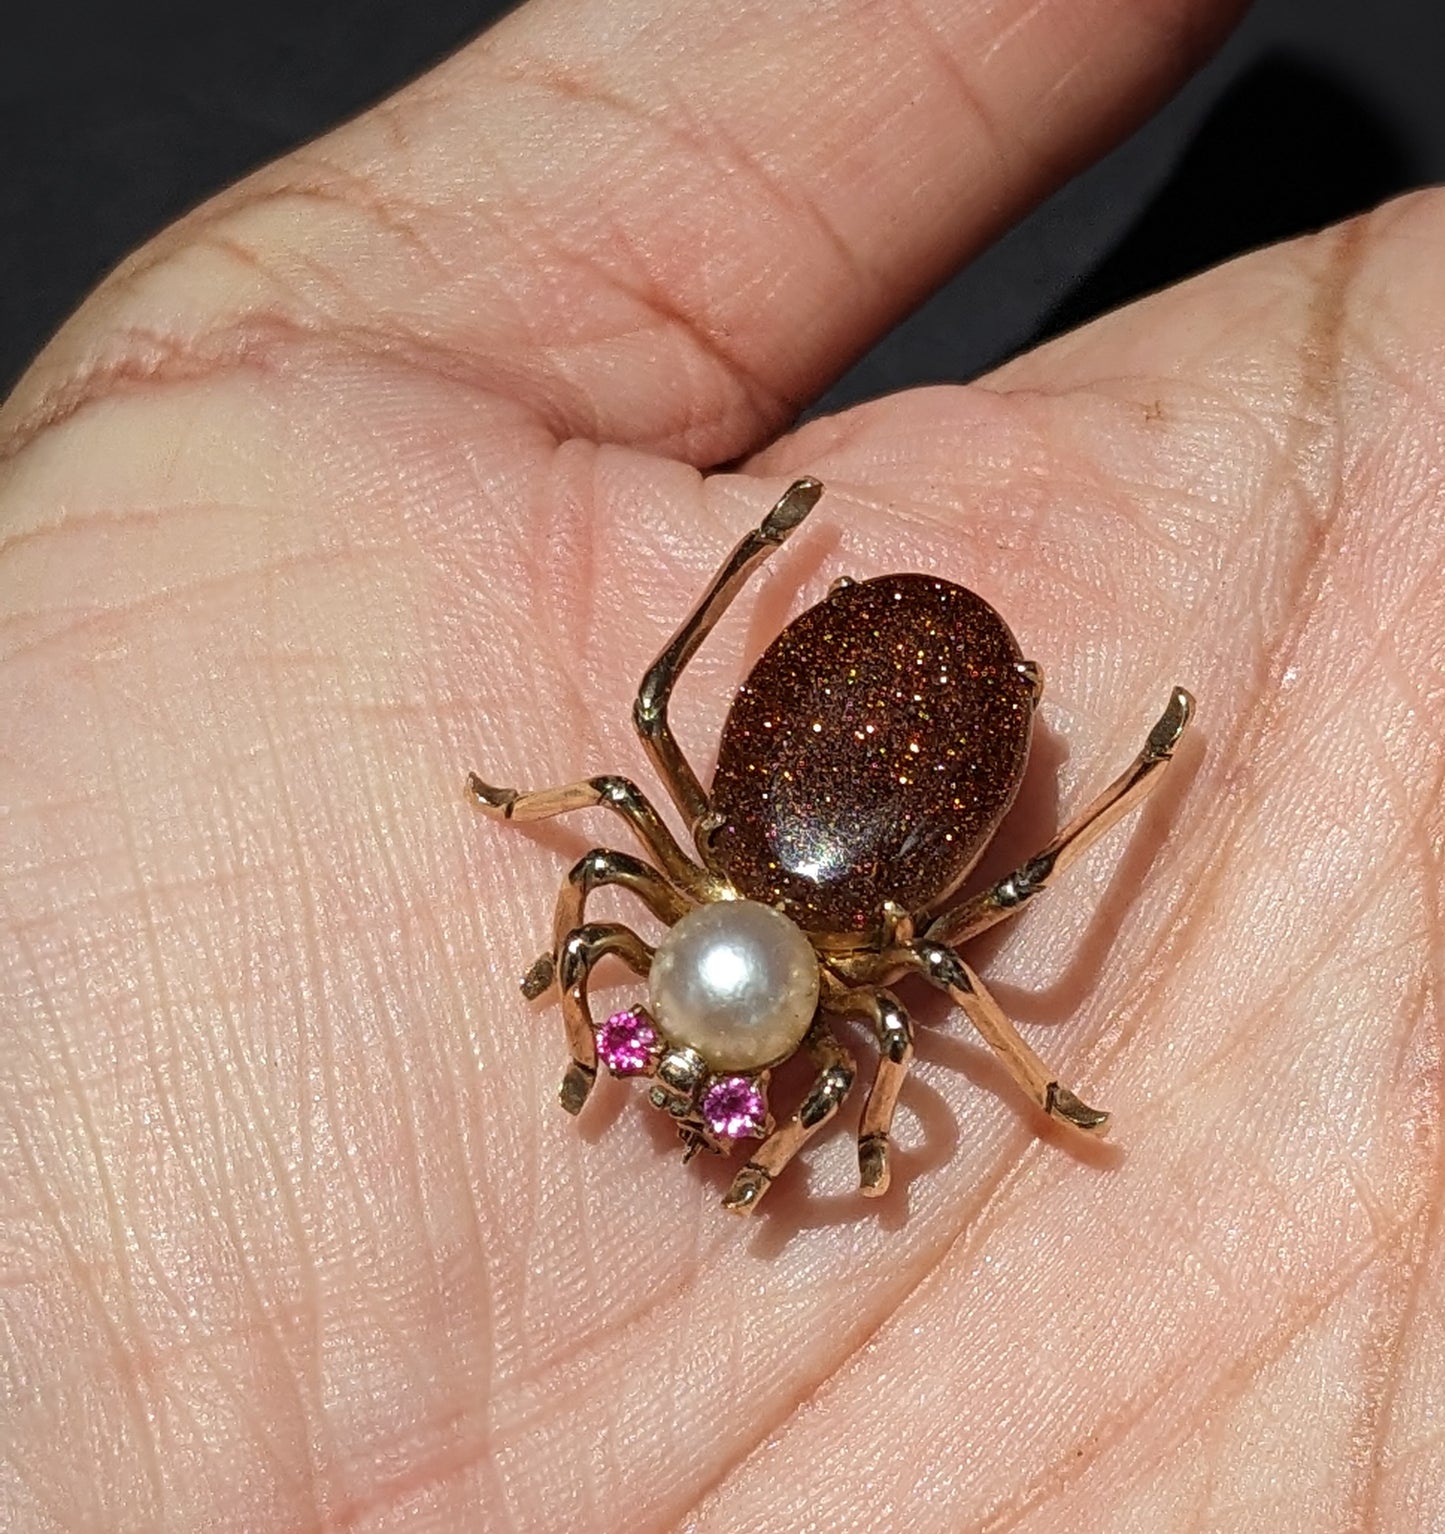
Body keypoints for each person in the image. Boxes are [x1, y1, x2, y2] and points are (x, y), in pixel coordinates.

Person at [1, 0, 1438, 1526]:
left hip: (863, 772)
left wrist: (874, 1110)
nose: (679, 1076)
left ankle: (1114, 757)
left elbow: (811, 987)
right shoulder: (782, 958)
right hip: (877, 791)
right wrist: (863, 1125)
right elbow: (810, 1018)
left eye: (631, 1025)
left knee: (684, 778)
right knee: (710, 796)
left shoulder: (756, 938)